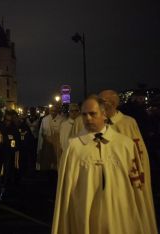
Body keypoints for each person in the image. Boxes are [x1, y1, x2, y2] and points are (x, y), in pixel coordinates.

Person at [52, 96, 157, 234]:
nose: (88, 118)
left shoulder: (124, 144)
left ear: (104, 114)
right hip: (85, 215)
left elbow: (136, 185)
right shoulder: (73, 147)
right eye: (84, 114)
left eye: (92, 113)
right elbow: (65, 190)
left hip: (119, 215)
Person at [99, 89, 157, 232]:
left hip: (124, 178)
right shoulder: (97, 123)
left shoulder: (128, 123)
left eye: (101, 101)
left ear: (111, 104)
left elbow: (138, 153)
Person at [36, 105, 64, 171]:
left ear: (57, 111)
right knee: (46, 163)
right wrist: (40, 147)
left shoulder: (62, 120)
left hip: (57, 145)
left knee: (56, 164)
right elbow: (41, 134)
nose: (53, 112)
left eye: (55, 111)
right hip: (46, 145)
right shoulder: (44, 120)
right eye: (52, 111)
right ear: (49, 111)